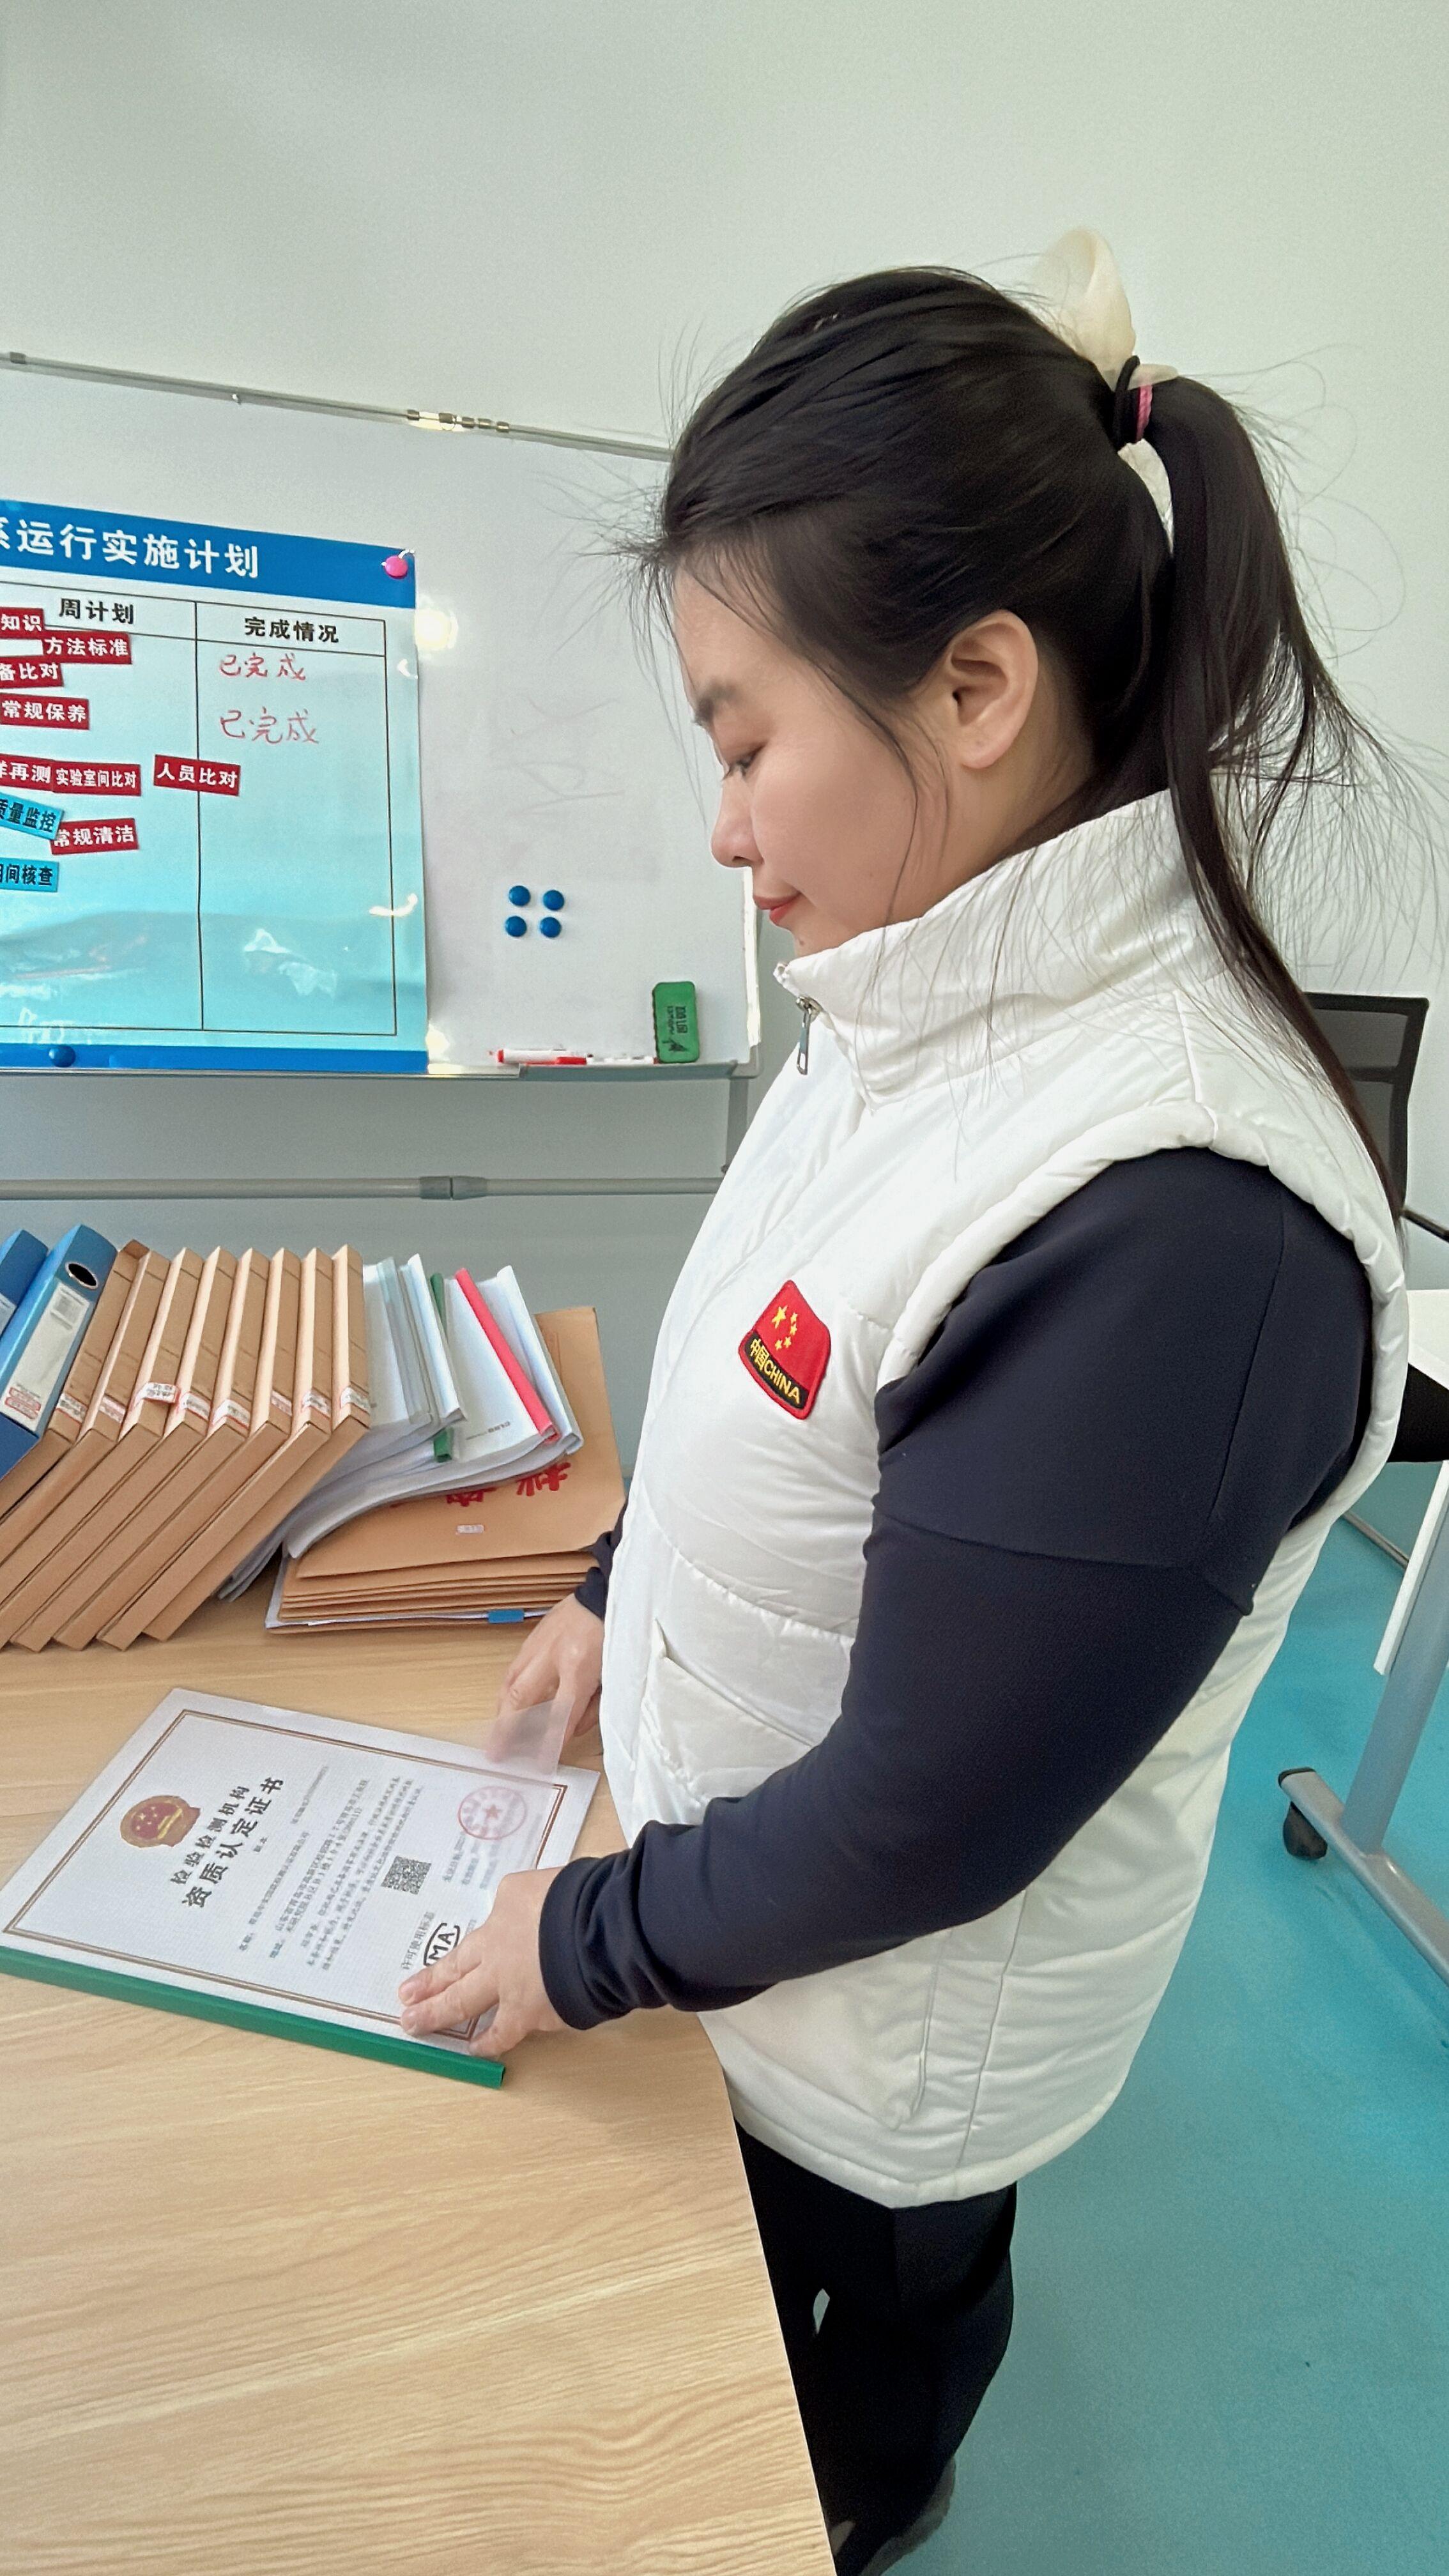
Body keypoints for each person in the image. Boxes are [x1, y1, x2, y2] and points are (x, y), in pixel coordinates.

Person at [399, 233, 1406, 2574]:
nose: (725, 824)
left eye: (743, 739)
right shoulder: (901, 1007)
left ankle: (882, 2485)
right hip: (727, 1935)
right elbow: (769, 1368)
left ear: (973, 687)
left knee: (819, 2427)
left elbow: (930, 1817)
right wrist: (619, 1583)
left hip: (869, 2055)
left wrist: (582, 1941)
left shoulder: (1176, 1221)